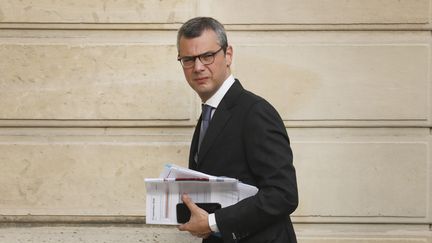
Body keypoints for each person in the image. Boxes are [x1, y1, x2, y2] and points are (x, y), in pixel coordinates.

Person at [176, 17, 298, 243]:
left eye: (207, 56)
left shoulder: (255, 112)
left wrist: (214, 222)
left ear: (228, 55)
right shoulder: (210, 114)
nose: (198, 67)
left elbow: (283, 195)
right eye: (188, 59)